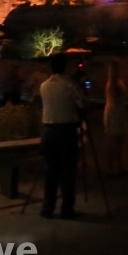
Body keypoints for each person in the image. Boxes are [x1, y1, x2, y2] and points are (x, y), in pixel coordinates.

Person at [38, 54, 86, 219]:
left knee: (50, 170)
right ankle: (67, 208)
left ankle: (47, 207)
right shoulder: (69, 85)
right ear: (64, 67)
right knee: (68, 171)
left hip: (48, 131)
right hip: (66, 131)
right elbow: (82, 103)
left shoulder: (44, 86)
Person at [103, 60, 128, 177]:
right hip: (114, 112)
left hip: (118, 112)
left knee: (119, 141)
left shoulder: (118, 81)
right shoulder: (111, 83)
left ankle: (119, 167)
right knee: (112, 141)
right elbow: (115, 99)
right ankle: (110, 168)